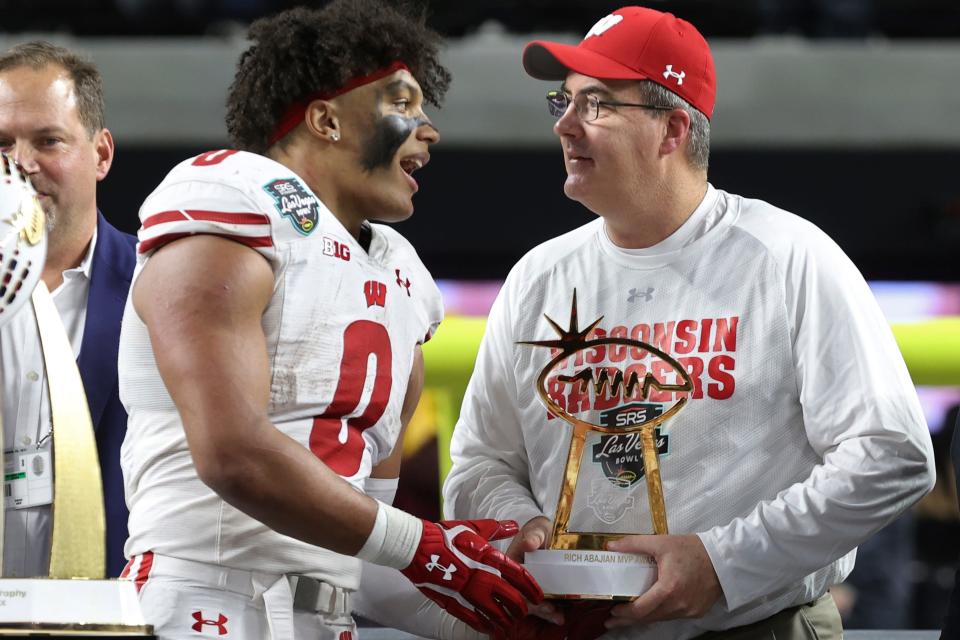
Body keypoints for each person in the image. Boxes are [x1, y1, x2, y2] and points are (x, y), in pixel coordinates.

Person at [442, 5, 936, 639]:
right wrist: (520, 531)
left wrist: (723, 564)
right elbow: (480, 465)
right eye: (561, 102)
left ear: (671, 129)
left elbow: (891, 456)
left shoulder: (787, 257)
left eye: (595, 104)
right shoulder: (538, 277)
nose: (565, 125)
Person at [116, 2, 541, 639]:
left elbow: (365, 543)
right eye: (403, 103)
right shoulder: (234, 198)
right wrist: (425, 546)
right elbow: (234, 455)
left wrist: (504, 614)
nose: (429, 131)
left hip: (329, 621)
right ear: (325, 119)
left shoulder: (403, 278)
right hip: (203, 602)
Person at [0, 41, 135, 578]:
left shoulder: (163, 291)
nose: (20, 165)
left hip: (114, 607)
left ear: (101, 155)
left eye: (48, 140)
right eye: (1, 143)